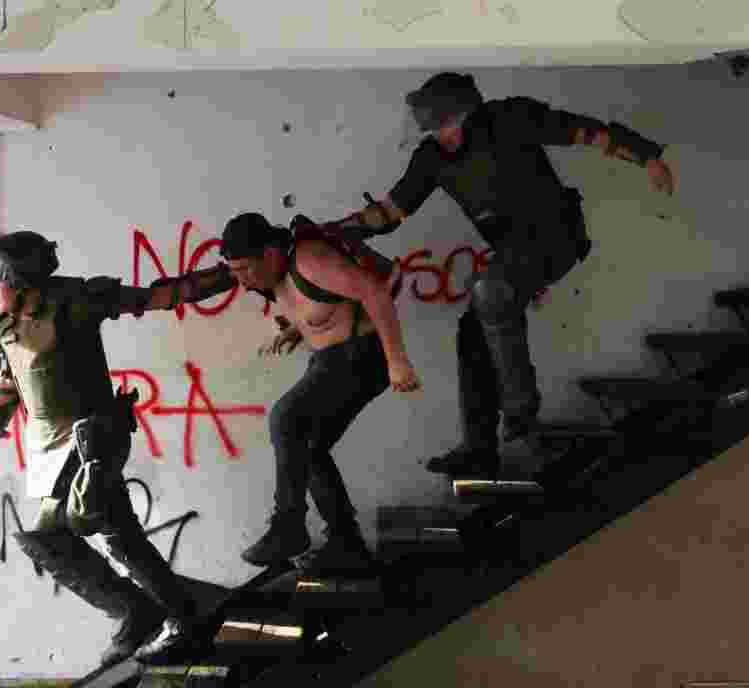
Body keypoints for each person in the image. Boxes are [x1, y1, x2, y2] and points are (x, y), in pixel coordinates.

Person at [326, 72, 676, 478]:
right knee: (473, 333)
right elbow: (390, 211)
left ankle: (521, 418)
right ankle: (479, 447)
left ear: (456, 118)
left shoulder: (510, 118)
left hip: (556, 237)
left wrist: (646, 155)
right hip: (511, 252)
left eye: (437, 125)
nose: (434, 134)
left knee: (491, 290)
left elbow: (585, 132)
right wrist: (338, 230)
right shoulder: (431, 157)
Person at [0, 231, 234, 667]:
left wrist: (225, 275)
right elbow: (8, 384)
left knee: (53, 536)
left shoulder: (73, 300)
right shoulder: (4, 322)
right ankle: (170, 614)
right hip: (48, 446)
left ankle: (152, 614)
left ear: (22, 278)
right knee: (117, 536)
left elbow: (155, 297)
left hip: (91, 437)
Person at [217, 212, 421, 572]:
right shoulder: (275, 276)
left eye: (245, 269)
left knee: (285, 418)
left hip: (361, 356)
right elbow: (325, 309)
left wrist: (397, 360)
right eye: (235, 270)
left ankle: (288, 525)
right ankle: (346, 542)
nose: (241, 279)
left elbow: (373, 294)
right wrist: (298, 331)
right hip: (331, 360)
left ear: (269, 253)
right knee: (306, 448)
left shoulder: (310, 259)